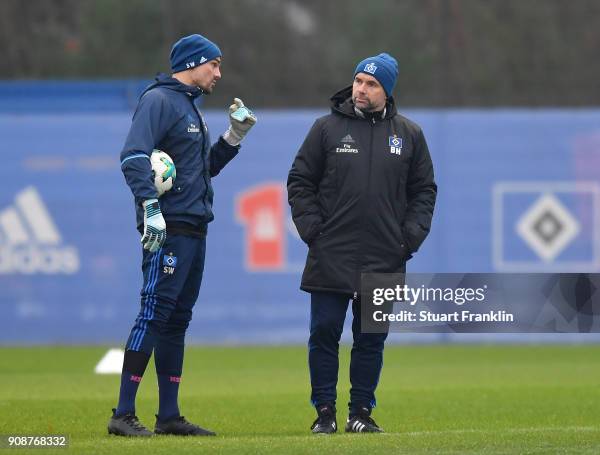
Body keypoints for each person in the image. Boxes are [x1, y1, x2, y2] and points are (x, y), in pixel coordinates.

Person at [108, 34, 256, 437]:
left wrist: (233, 138)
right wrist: (150, 208)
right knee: (155, 312)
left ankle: (169, 416)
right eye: (215, 65)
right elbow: (133, 156)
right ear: (194, 62)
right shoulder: (158, 100)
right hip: (168, 228)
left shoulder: (191, 108)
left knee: (177, 320)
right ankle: (122, 414)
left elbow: (201, 170)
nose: (219, 74)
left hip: (194, 227)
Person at [287, 53, 437, 434]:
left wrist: (408, 239)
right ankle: (324, 413)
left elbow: (424, 192)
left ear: (387, 90)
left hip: (384, 255)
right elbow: (299, 181)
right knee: (324, 333)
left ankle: (360, 413)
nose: (361, 89)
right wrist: (313, 232)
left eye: (371, 84)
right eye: (358, 81)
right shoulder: (325, 129)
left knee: (371, 339)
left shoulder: (410, 136)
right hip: (331, 252)